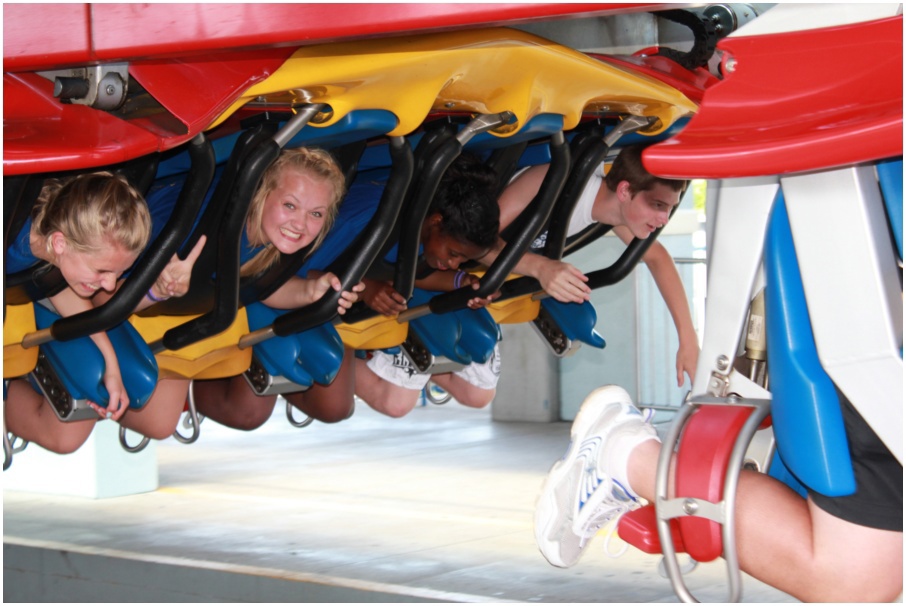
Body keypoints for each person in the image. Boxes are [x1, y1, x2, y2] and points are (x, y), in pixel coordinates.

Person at [534, 384, 903, 602]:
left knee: (858, 581)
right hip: (874, 358)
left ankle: (628, 456)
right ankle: (624, 455)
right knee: (854, 580)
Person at [117, 146, 363, 438]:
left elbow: (261, 287)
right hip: (116, 287)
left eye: (316, 213)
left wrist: (312, 291)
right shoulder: (194, 232)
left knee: (172, 423)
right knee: (156, 425)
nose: (300, 224)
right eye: (290, 205)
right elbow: (104, 297)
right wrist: (154, 290)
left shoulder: (268, 237)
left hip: (182, 308)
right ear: (261, 192)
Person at [4, 172, 205, 454]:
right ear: (60, 243)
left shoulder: (52, 244)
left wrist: (111, 364)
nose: (110, 285)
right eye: (102, 271)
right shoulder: (18, 240)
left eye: (117, 273)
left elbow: (58, 289)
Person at [485, 142, 699, 387]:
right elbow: (477, 241)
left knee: (479, 393)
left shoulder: (613, 212)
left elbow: (658, 258)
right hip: (460, 258)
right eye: (658, 205)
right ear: (625, 191)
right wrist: (541, 267)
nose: (664, 219)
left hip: (499, 275)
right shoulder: (551, 182)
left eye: (670, 208)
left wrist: (688, 340)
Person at [354, 153, 503, 418]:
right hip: (362, 289)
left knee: (479, 394)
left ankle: (425, 356)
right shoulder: (381, 223)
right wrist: (367, 287)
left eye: (462, 260)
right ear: (435, 222)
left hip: (408, 285)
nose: (455, 263)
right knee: (396, 404)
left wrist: (463, 281)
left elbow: (417, 272)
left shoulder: (439, 238)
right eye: (454, 254)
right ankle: (347, 352)